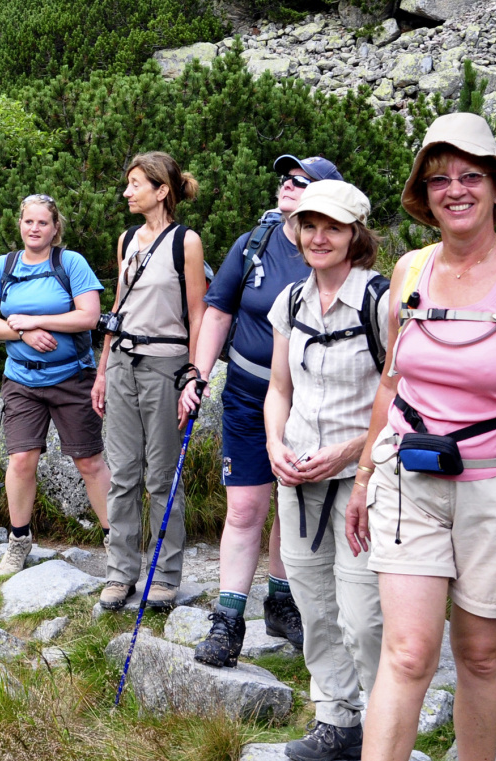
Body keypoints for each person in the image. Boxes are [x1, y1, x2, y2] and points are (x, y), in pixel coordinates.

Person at [344, 112, 496, 761]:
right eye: (440, 177)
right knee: (409, 649)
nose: (456, 189)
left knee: (479, 652)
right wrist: (363, 476)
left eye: (471, 175)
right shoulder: (408, 274)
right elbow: (391, 385)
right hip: (407, 478)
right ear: (424, 193)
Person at [181, 153, 343, 664]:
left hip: (311, 400)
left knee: (291, 502)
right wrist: (198, 373)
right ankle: (228, 621)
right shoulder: (256, 242)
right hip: (248, 395)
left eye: (302, 181)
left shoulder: (333, 250)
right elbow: (218, 308)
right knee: (247, 506)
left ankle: (280, 600)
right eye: (285, 179)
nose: (287, 187)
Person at [264, 180, 388, 761]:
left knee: (363, 616)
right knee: (314, 606)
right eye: (309, 226)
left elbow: (406, 403)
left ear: (354, 235)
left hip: (366, 482)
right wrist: (273, 444)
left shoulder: (381, 302)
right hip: (296, 480)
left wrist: (347, 454)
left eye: (332, 227)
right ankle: (337, 723)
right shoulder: (289, 302)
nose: (318, 237)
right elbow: (278, 389)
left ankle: (384, 725)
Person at [91, 152, 208, 612]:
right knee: (122, 475)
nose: (126, 191)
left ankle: (164, 577)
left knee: (161, 478)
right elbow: (116, 312)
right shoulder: (126, 240)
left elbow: (198, 313)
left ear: (162, 190)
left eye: (135, 183)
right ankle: (120, 574)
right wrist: (102, 371)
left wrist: (193, 375)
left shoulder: (187, 242)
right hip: (121, 364)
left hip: (166, 366)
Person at [0, 194, 108, 575]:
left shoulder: (70, 263)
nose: (34, 229)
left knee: (89, 460)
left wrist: (33, 323)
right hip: (21, 379)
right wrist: (22, 336)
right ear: (20, 224)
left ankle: (116, 540)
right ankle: (19, 540)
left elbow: (89, 316)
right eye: (28, 222)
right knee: (20, 460)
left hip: (72, 376)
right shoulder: (3, 266)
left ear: (55, 228)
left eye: (42, 223)